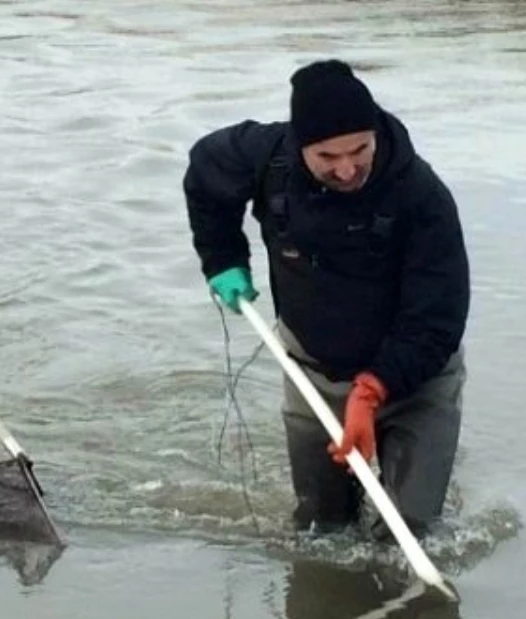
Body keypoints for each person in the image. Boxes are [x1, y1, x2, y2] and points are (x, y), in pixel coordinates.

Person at [182, 59, 470, 538]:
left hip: (417, 383)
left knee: (408, 531)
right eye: (328, 157)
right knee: (321, 531)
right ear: (300, 147)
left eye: (359, 149)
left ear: (375, 132)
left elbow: (437, 318)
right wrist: (222, 259)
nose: (348, 167)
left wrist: (372, 391)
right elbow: (205, 171)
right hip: (313, 374)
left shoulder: (422, 196)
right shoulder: (266, 157)